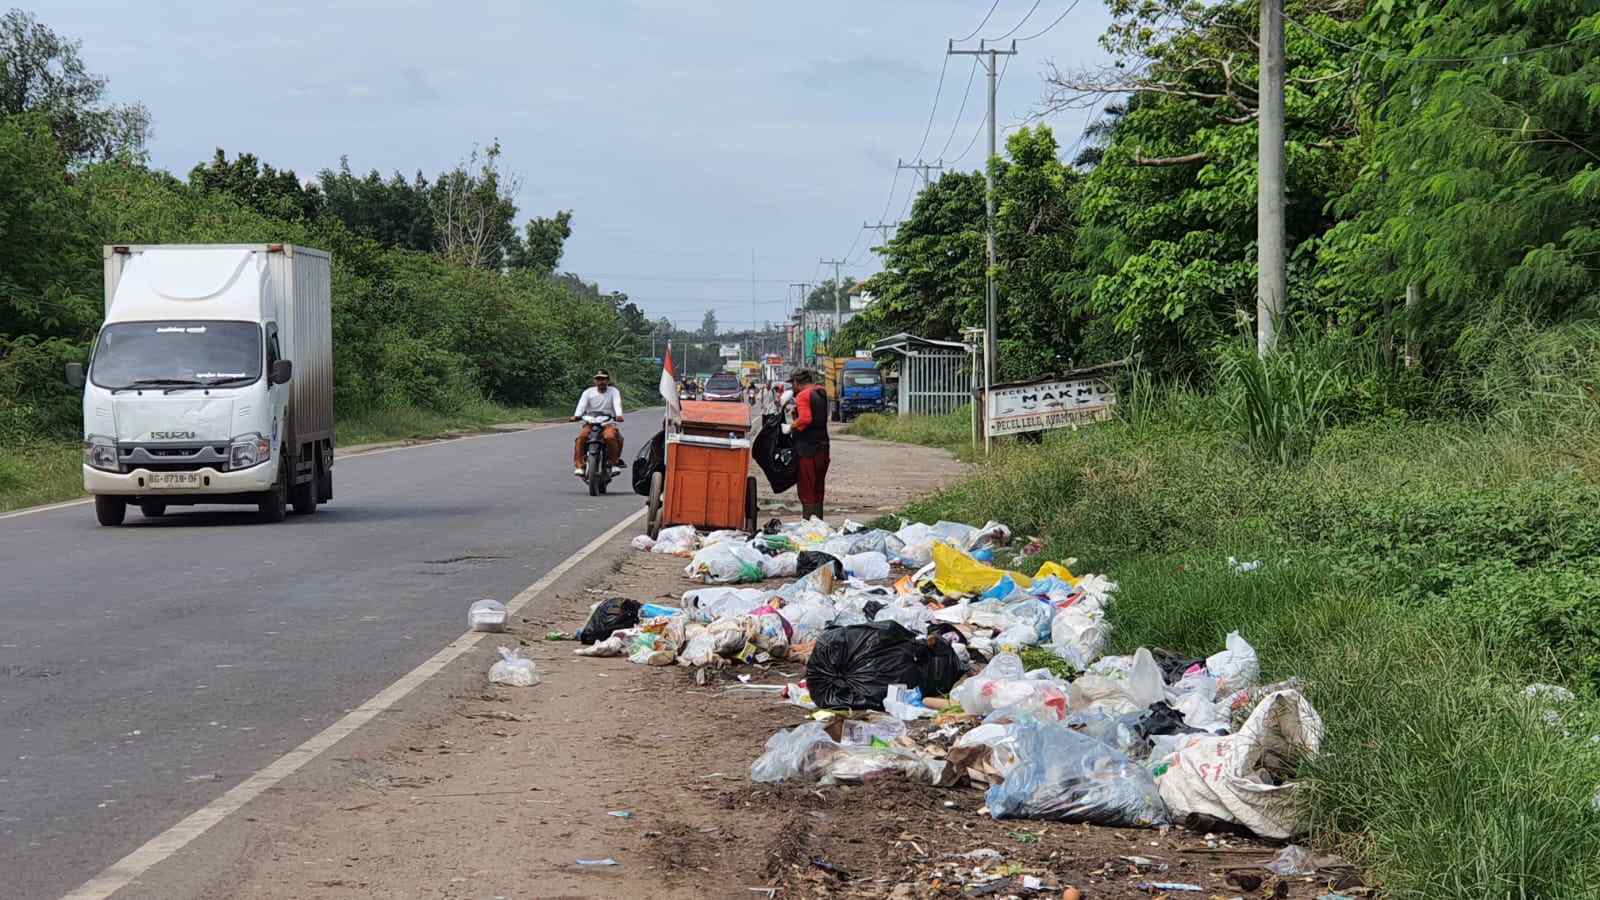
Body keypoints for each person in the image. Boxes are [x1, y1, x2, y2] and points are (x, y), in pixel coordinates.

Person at [782, 368, 829, 521]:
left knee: (806, 489)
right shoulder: (821, 392)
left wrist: (791, 426)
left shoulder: (803, 395)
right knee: (818, 489)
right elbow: (816, 417)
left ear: (797, 382)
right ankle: (819, 523)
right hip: (823, 448)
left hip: (808, 450)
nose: (792, 388)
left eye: (793, 384)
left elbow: (806, 419)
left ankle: (809, 525)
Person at [571, 370, 625, 477]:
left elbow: (617, 403)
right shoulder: (588, 392)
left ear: (608, 380)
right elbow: (581, 405)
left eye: (603, 379)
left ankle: (614, 463)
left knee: (610, 436)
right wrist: (576, 415)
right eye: (598, 379)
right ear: (595, 381)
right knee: (581, 438)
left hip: (607, 423)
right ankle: (579, 465)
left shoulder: (613, 391)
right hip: (590, 422)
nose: (601, 382)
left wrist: (619, 415)